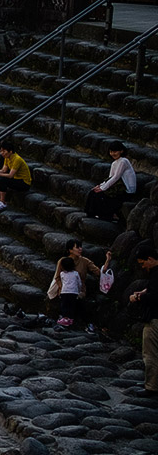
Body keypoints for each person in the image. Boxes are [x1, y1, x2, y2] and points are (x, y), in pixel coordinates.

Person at [86, 141, 138, 223]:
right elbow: (110, 178)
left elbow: (116, 177)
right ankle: (91, 214)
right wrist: (100, 186)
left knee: (101, 195)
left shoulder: (123, 161)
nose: (113, 153)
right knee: (93, 192)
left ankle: (106, 215)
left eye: (115, 151)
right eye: (111, 151)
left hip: (127, 190)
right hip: (119, 187)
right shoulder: (114, 163)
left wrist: (103, 188)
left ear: (121, 151)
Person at [131, 243, 158, 392]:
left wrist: (138, 298)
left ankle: (151, 386)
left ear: (149, 259)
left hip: (155, 318)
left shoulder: (155, 272)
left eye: (143, 263)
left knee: (151, 354)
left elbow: (154, 296)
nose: (142, 267)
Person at [0, 142, 31, 211]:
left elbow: (10, 175)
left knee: (3, 179)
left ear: (10, 151)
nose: (2, 153)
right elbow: (3, 170)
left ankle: (2, 202)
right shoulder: (7, 158)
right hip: (16, 179)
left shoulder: (17, 159)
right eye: (1, 151)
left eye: (4, 151)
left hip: (24, 183)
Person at [51, 257, 83, 328]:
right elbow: (79, 283)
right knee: (72, 305)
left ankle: (65, 319)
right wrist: (79, 290)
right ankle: (71, 319)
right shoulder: (76, 273)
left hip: (65, 292)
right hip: (74, 292)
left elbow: (62, 282)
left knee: (64, 305)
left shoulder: (62, 274)